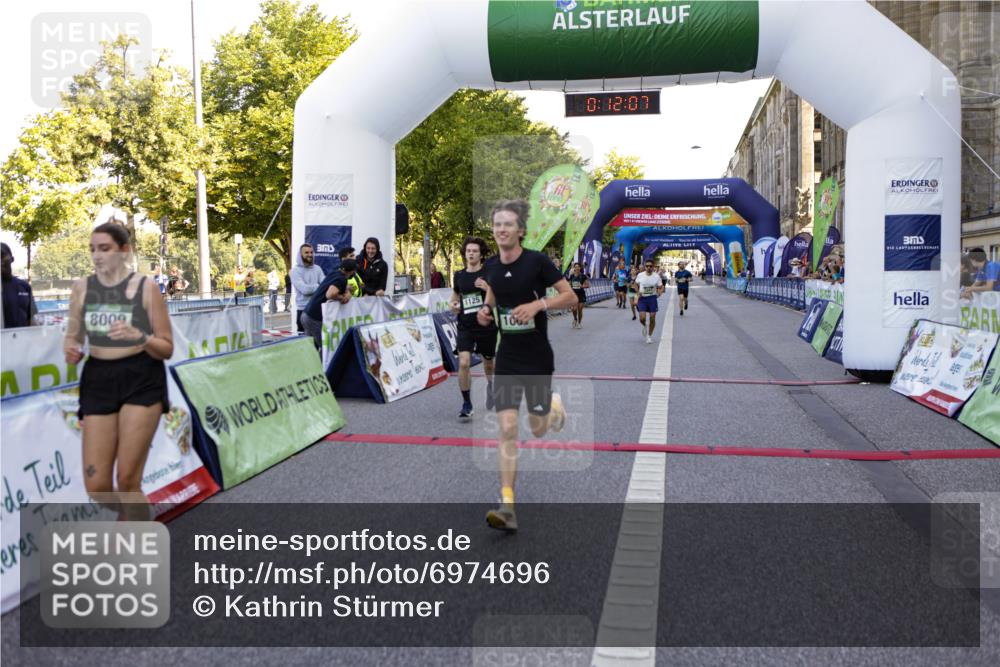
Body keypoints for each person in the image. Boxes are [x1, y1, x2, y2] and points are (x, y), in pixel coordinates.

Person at [475, 199, 576, 532]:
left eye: (508, 224)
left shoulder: (536, 262)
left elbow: (570, 296)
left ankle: (554, 408)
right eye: (497, 224)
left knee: (537, 428)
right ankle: (507, 505)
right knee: (506, 429)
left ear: (520, 231)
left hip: (536, 357)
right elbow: (492, 298)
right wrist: (485, 312)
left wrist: (537, 305)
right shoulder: (490, 266)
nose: (501, 229)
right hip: (507, 358)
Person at [63, 223, 173, 521]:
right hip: (98, 378)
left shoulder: (145, 288)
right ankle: (137, 514)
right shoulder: (82, 288)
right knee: (97, 486)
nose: (97, 256)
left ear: (124, 250)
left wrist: (140, 336)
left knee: (127, 480)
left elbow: (166, 348)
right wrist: (72, 349)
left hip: (141, 376)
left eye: (105, 248)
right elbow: (73, 336)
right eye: (93, 249)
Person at [450, 236, 498, 421]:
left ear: (481, 254)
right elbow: (454, 297)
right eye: (468, 251)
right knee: (463, 363)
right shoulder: (459, 275)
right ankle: (467, 403)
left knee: (488, 363)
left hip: (485, 326)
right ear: (464, 253)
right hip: (465, 326)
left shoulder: (489, 273)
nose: (471, 254)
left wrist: (487, 288)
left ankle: (491, 386)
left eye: (475, 251)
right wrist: (453, 305)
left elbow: (499, 297)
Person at [300, 258, 356, 350]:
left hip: (306, 314)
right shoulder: (341, 279)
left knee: (311, 348)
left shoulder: (335, 273)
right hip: (315, 318)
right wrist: (342, 298)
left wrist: (347, 291)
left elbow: (337, 287)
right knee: (326, 348)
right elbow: (330, 294)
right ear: (352, 271)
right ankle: (324, 364)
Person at [1, 243, 38, 328]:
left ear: (12, 259)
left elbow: (32, 318)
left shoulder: (24, 286)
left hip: (23, 339)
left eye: (2, 255)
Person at [291, 244, 325, 334]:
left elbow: (325, 285)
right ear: (300, 254)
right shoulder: (295, 271)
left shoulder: (318, 269)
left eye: (311, 252)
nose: (310, 254)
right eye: (306, 252)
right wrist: (318, 286)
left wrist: (318, 287)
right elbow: (305, 290)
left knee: (318, 344)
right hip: (303, 311)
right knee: (304, 344)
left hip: (318, 310)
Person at [635, 260, 665, 342]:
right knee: (642, 318)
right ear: (645, 267)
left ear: (653, 267)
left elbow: (661, 287)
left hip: (652, 298)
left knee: (652, 318)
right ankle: (645, 325)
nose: (648, 267)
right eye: (647, 266)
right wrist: (637, 292)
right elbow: (635, 284)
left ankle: (649, 336)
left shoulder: (656, 276)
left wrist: (659, 293)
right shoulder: (640, 275)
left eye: (650, 266)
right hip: (642, 298)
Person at [567, 262, 591, 329]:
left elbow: (588, 285)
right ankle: (575, 319)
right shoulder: (571, 276)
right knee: (574, 309)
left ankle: (579, 323)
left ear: (580, 268)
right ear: (574, 268)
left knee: (580, 309)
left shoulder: (583, 276)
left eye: (578, 267)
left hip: (581, 294)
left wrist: (582, 286)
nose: (577, 268)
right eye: (575, 267)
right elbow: (569, 284)